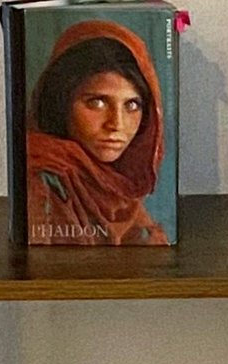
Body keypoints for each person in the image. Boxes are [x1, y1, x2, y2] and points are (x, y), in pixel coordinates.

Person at [25, 21, 169, 246]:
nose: (116, 124)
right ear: (62, 101)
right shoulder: (41, 179)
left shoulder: (120, 195)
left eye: (131, 105)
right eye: (97, 102)